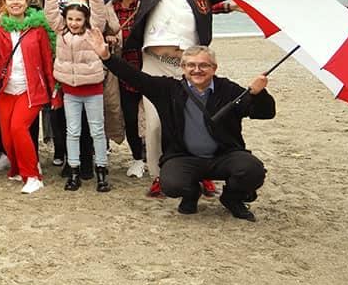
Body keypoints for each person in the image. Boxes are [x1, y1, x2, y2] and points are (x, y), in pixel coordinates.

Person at [114, 0, 250, 197]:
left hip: (191, 67)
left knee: (195, 121)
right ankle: (158, 175)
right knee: (155, 124)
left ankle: (201, 173)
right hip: (155, 64)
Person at [92, 37, 274, 220]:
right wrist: (107, 57)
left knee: (253, 170)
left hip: (224, 155)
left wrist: (258, 94)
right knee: (171, 184)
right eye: (191, 65)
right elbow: (135, 77)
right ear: (183, 67)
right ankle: (191, 194)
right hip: (184, 156)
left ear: (214, 68)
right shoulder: (168, 89)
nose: (197, 70)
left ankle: (231, 198)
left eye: (204, 65)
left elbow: (265, 113)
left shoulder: (229, 90)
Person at [44, 0, 117, 192]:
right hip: (70, 90)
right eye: (70, 19)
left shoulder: (93, 32)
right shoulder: (62, 32)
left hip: (93, 89)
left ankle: (101, 172)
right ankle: (74, 171)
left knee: (97, 131)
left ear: (85, 19)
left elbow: (99, 15)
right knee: (72, 131)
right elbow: (51, 14)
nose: (74, 23)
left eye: (78, 19)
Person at [0, 0, 55, 194]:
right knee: (7, 137)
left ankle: (33, 176)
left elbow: (47, 61)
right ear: (5, 3)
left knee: (18, 129)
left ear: (26, 2)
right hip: (6, 89)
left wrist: (53, 90)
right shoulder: (0, 27)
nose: (15, 2)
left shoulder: (37, 29)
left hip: (30, 89)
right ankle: (17, 169)